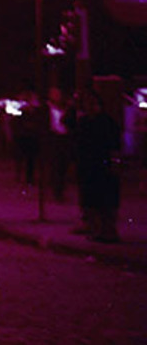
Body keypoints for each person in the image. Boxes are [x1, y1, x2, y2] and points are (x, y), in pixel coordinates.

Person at [73, 90, 122, 243]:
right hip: (88, 166)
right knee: (91, 199)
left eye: (93, 104)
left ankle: (107, 230)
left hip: (103, 165)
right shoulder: (83, 122)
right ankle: (96, 228)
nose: (91, 107)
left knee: (105, 199)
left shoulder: (106, 122)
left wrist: (115, 162)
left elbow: (115, 144)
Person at [46, 87, 76, 202]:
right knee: (56, 167)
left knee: (63, 167)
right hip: (54, 139)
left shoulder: (66, 108)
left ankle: (60, 190)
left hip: (64, 138)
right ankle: (57, 191)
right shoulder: (47, 108)